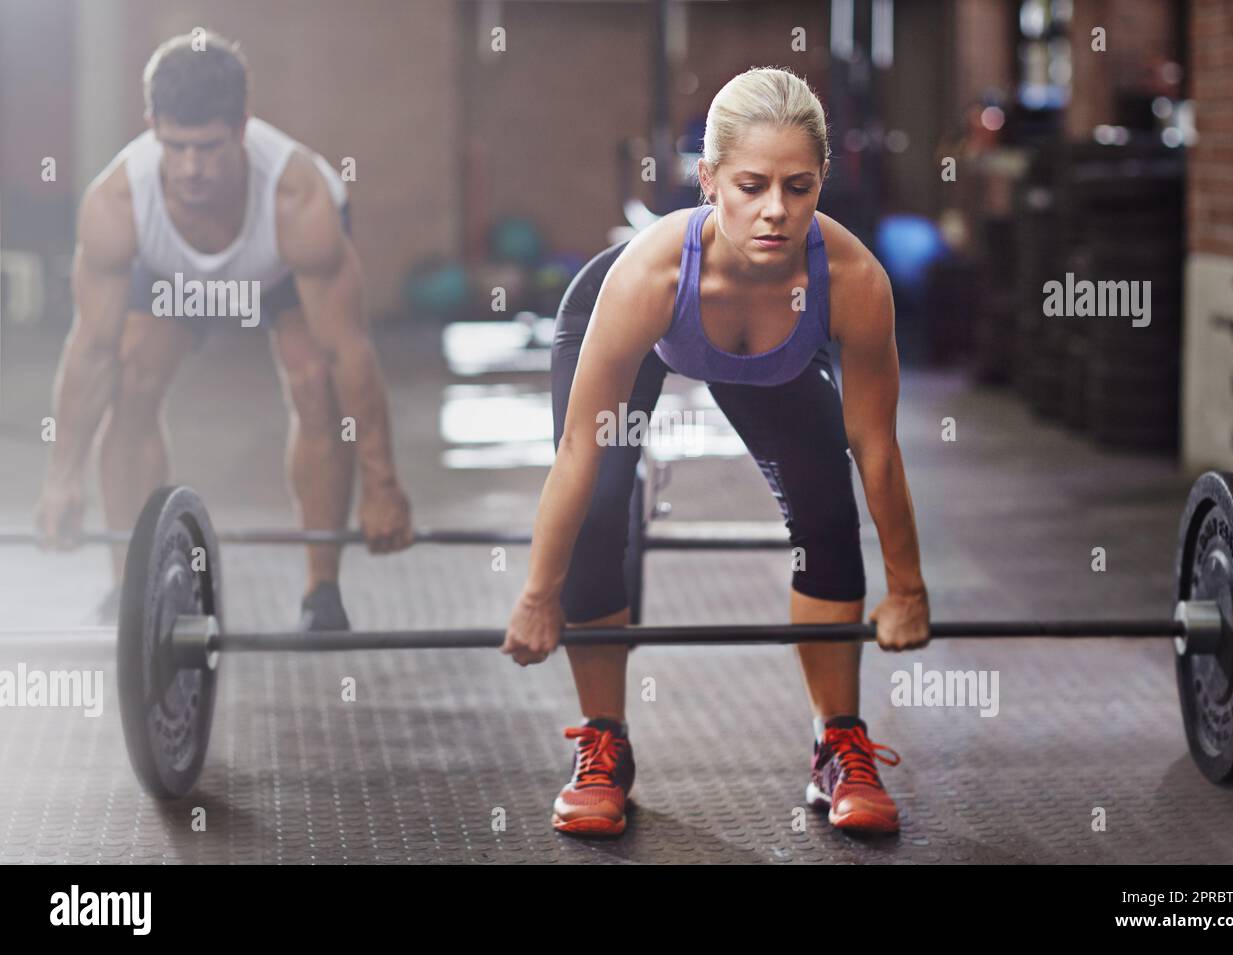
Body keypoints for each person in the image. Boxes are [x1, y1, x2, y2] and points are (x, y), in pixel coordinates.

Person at [503, 67, 930, 837]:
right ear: (707, 180)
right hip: (656, 324)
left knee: (828, 510)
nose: (775, 210)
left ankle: (837, 742)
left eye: (799, 187)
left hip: (770, 353)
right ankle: (604, 740)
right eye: (751, 184)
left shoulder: (854, 278)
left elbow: (878, 451)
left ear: (823, 179)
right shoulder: (648, 275)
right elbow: (575, 450)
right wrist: (538, 595)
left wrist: (907, 589)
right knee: (599, 505)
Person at [33, 32, 413, 630]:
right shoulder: (116, 203)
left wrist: (384, 486)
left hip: (277, 269)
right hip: (171, 273)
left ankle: (322, 594)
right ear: (152, 123)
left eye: (208, 147)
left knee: (315, 382)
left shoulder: (300, 199)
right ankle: (132, 588)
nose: (190, 169)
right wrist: (62, 478)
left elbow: (349, 352)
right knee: (131, 377)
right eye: (176, 147)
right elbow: (91, 348)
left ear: (241, 126)